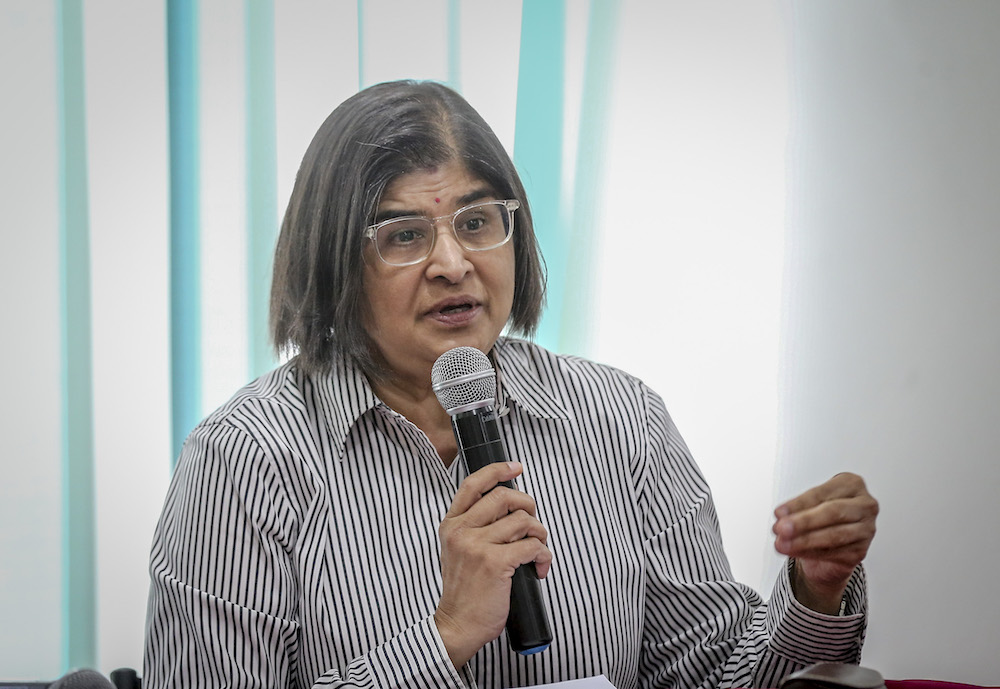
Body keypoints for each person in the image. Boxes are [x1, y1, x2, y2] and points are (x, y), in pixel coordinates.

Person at [143, 80, 879, 689]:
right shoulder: (240, 461)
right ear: (334, 259)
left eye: (477, 222)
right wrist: (446, 633)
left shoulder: (621, 419)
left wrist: (815, 589)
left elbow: (714, 672)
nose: (453, 263)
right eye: (404, 234)